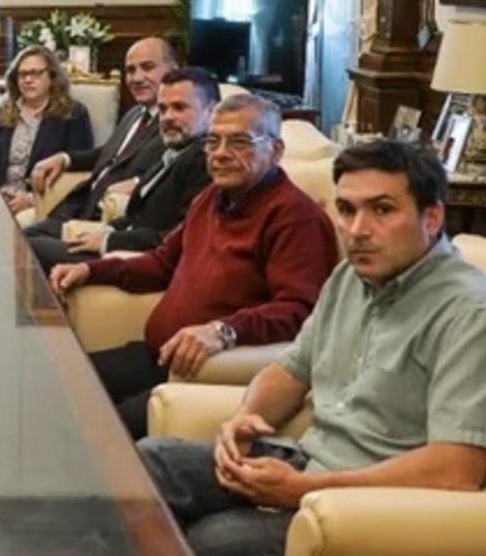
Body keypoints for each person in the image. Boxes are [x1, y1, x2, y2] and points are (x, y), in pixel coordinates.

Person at [137, 139, 486, 556]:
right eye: (346, 210)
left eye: (382, 210)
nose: (358, 230)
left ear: (432, 217)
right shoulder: (351, 278)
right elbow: (289, 371)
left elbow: (456, 471)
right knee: (146, 464)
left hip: (373, 512)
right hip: (308, 466)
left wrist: (302, 492)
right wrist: (245, 418)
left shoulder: (475, 313)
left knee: (206, 544)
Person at [49, 93, 338, 438]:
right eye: (213, 141)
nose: (219, 154)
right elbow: (162, 263)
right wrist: (91, 270)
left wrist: (224, 331)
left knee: (93, 432)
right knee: (55, 386)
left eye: (239, 142)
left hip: (203, 370)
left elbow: (300, 311)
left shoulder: (294, 217)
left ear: (275, 151)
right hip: (157, 355)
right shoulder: (212, 198)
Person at [29, 67, 217, 270]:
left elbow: (180, 236)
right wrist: (107, 230)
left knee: (29, 246)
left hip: (139, 260)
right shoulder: (174, 148)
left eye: (180, 107)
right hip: (121, 236)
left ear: (212, 110)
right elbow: (137, 216)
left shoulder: (207, 160)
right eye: (163, 109)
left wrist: (108, 241)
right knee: (26, 236)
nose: (168, 117)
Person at [25, 36, 176, 230]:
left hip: (105, 226)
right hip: (78, 208)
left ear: (173, 70)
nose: (137, 78)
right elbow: (111, 153)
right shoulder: (135, 113)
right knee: (20, 237)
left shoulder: (174, 123)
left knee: (26, 245)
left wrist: (140, 182)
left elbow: (174, 168)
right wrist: (64, 158)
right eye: (130, 70)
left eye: (147, 67)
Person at [0, 45, 93, 217]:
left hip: (44, 202)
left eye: (36, 73)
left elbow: (79, 172)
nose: (28, 80)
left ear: (52, 77)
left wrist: (31, 200)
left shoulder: (73, 114)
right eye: (22, 74)